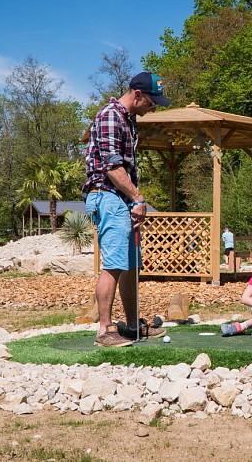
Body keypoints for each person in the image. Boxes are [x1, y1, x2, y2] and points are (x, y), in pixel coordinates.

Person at [83, 71, 171, 347]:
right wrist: (137, 197)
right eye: (151, 102)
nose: (153, 107)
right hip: (108, 196)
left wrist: (133, 200)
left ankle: (132, 326)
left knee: (131, 264)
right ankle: (104, 330)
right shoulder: (110, 115)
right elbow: (111, 166)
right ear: (137, 95)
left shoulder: (129, 120)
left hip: (122, 199)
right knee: (114, 264)